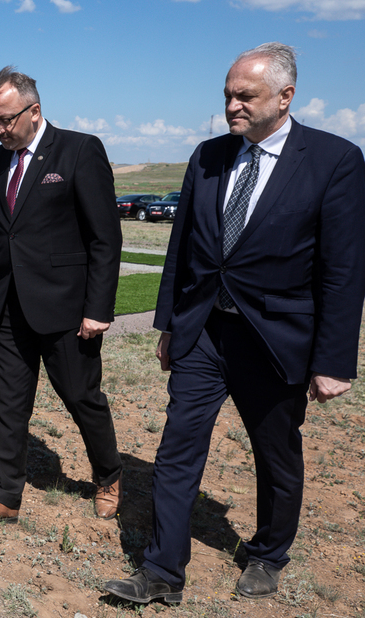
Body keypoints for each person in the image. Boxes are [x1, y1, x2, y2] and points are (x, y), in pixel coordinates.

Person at [104, 43, 365, 604]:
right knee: (177, 448)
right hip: (205, 334)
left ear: (285, 96)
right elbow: (184, 249)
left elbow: (343, 270)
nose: (232, 106)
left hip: (276, 341)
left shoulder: (334, 160)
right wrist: (171, 325)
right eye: (227, 94)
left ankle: (269, 552)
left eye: (245, 95)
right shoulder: (208, 156)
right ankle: (162, 572)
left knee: (275, 455)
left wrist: (334, 361)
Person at [0, 66, 123, 529]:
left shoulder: (79, 151)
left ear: (35, 111)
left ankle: (108, 473)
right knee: (6, 404)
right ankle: (5, 494)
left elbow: (105, 239)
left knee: (81, 397)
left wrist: (98, 309)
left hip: (66, 309)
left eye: (6, 119)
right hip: (8, 307)